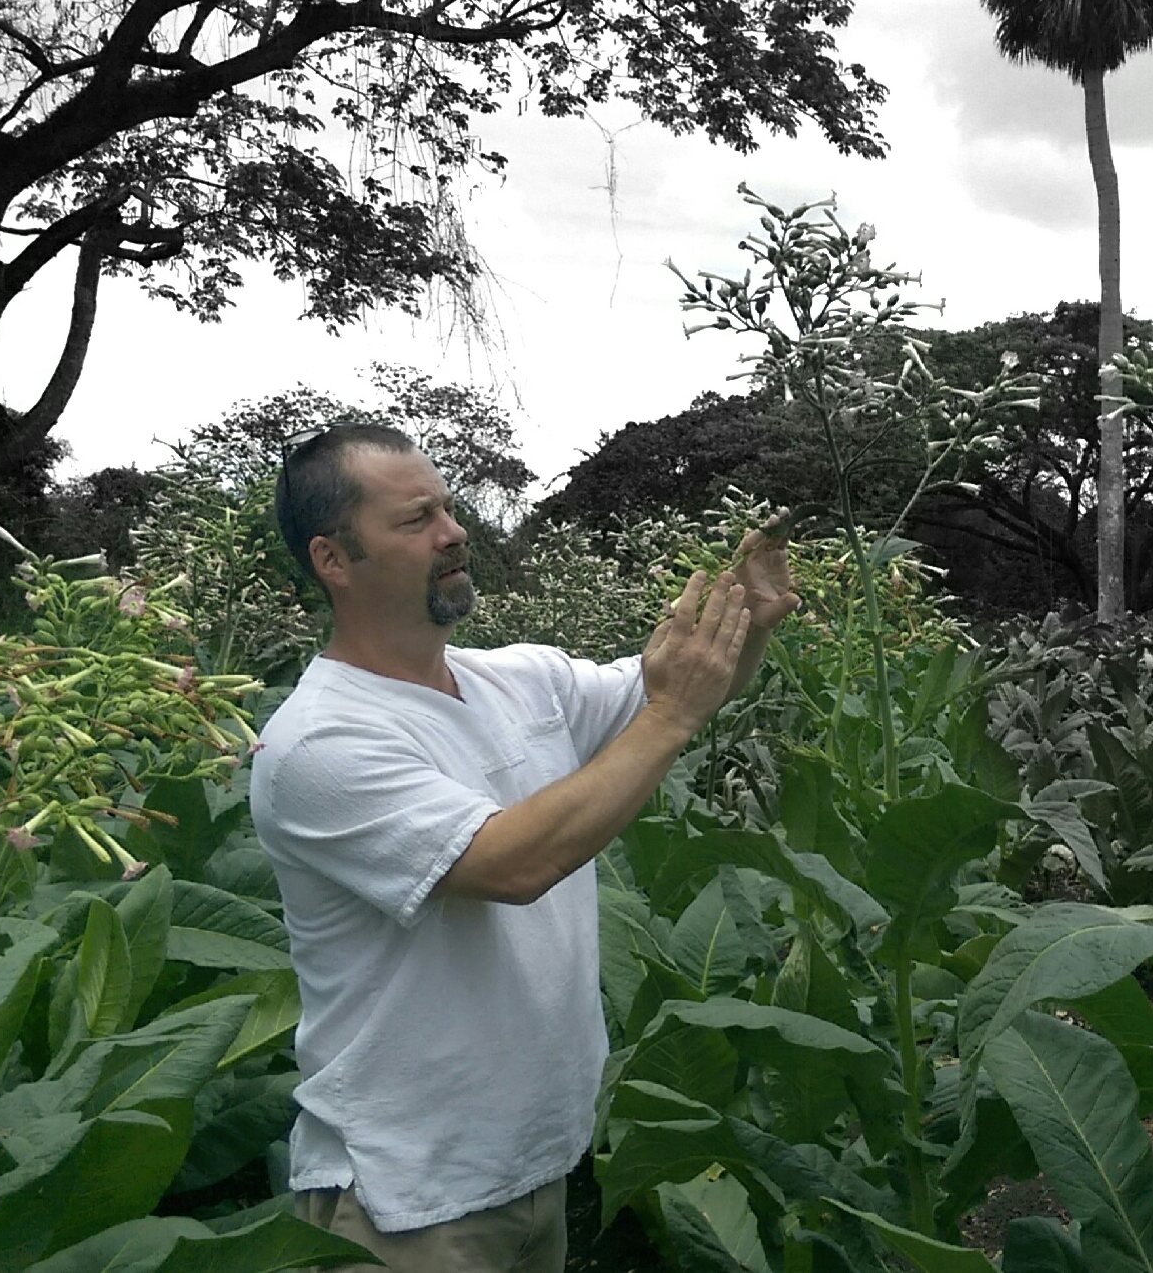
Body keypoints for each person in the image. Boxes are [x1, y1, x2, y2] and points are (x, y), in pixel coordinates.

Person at [249, 423, 800, 1273]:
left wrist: (747, 623)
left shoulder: (522, 677)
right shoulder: (319, 742)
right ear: (333, 559)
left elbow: (664, 696)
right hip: (408, 1202)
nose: (454, 530)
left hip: (534, 1167)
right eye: (416, 519)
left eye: (449, 507)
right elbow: (510, 864)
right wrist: (671, 714)